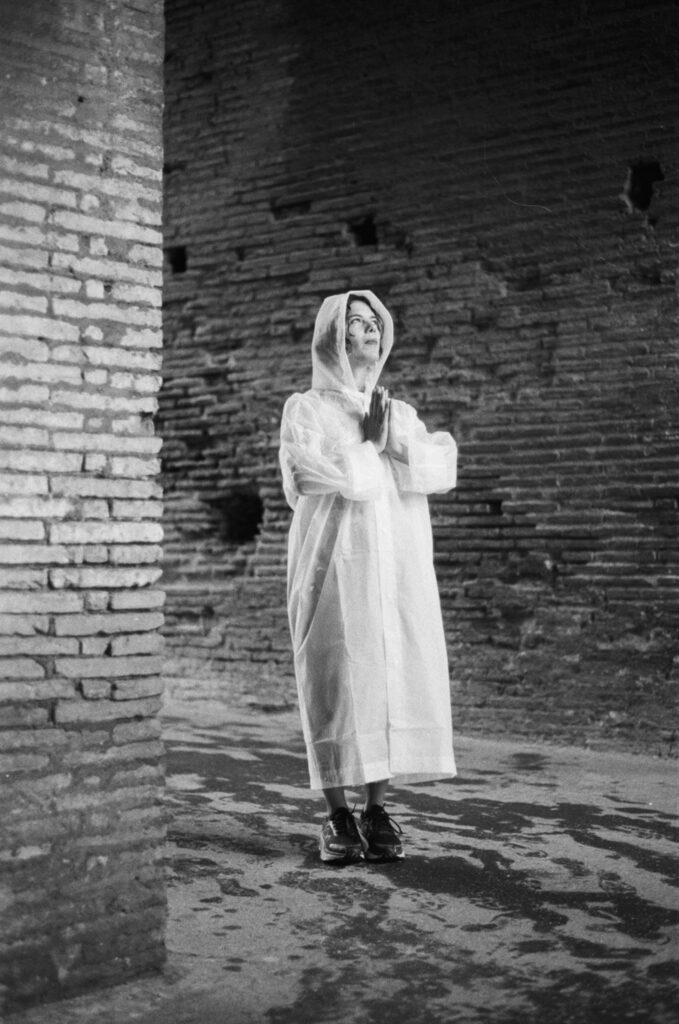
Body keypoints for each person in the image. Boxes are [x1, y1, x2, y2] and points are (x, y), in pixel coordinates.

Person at [279, 290, 458, 863]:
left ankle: (377, 809)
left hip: (393, 571)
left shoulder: (396, 409)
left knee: (385, 679)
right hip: (331, 569)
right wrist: (367, 445)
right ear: (333, 337)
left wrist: (394, 439)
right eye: (355, 323)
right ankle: (336, 814)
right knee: (335, 679)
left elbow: (440, 466)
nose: (369, 332)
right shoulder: (305, 409)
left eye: (375, 323)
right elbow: (306, 478)